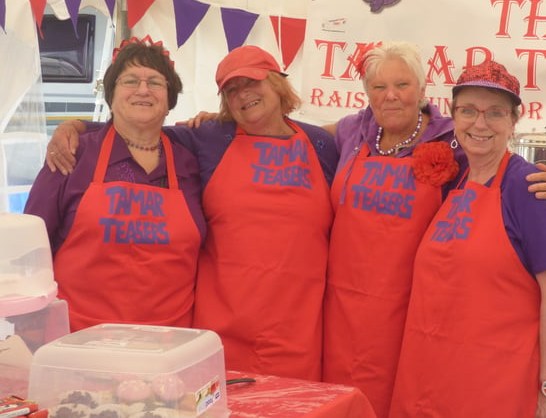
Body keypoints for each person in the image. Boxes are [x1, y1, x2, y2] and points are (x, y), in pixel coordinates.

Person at [44, 45, 338, 382]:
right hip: (219, 328)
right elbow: (136, 126)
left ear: (277, 84)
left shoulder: (321, 145)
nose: (243, 94)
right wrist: (74, 126)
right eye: (231, 89)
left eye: (252, 83)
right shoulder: (211, 136)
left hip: (298, 326)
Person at [320, 42, 546, 418]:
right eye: (468, 111)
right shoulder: (358, 132)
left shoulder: (504, 174)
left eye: (403, 85)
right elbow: (293, 134)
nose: (479, 123)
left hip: (476, 360)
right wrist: (218, 121)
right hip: (387, 336)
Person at [389, 60, 546, 418]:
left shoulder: (530, 188)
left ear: (513, 122)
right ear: (453, 116)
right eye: (468, 111)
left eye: (495, 113)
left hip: (495, 385)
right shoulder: (453, 177)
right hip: (429, 376)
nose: (479, 123)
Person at [24, 36, 206, 332]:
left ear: (170, 100)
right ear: (111, 95)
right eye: (130, 80)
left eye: (156, 82)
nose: (143, 90)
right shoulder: (73, 152)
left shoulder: (191, 162)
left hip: (170, 342)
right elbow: (32, 249)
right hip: (79, 339)